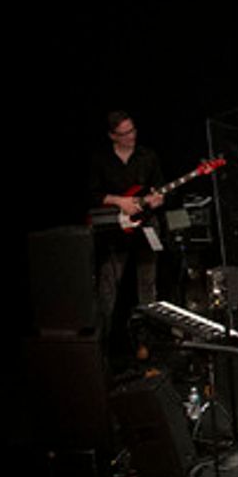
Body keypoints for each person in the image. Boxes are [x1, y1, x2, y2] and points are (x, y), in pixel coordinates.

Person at [88, 110, 164, 353]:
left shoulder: (147, 156)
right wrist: (119, 200)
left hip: (145, 225)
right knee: (108, 286)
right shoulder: (101, 160)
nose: (131, 136)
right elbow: (91, 195)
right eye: (125, 133)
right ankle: (102, 346)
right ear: (112, 136)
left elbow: (159, 189)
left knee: (148, 284)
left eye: (133, 130)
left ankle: (148, 342)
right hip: (114, 229)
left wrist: (158, 199)